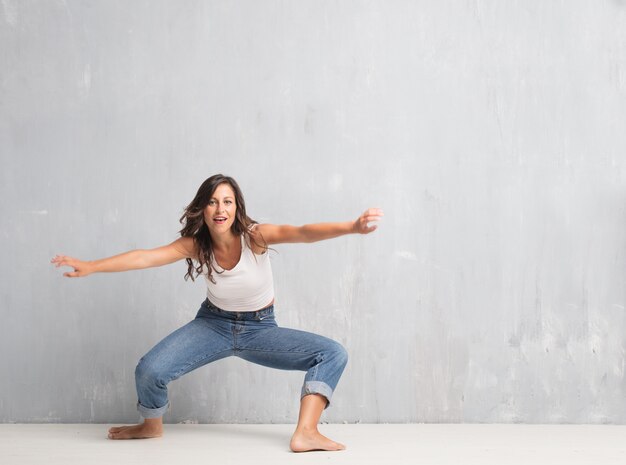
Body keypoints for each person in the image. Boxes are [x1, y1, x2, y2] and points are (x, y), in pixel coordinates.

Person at [51, 173, 383, 452]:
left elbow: (302, 231)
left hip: (260, 329)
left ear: (237, 207)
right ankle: (150, 425)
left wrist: (352, 226)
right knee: (149, 371)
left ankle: (306, 432)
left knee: (332, 353)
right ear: (203, 209)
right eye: (212, 201)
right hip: (213, 325)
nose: (220, 208)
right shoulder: (196, 245)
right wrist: (91, 266)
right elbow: (144, 257)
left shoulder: (256, 236)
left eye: (227, 201)